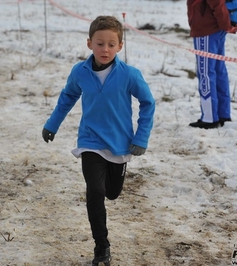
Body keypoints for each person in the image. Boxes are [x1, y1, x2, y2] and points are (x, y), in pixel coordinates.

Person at [41, 16, 155, 265]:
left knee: (112, 193)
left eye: (111, 44)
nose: (105, 49)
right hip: (90, 140)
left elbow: (148, 103)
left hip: (120, 143)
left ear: (120, 47)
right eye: (100, 44)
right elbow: (67, 97)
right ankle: (101, 247)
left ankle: (114, 180)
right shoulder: (80, 72)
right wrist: (52, 124)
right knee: (95, 190)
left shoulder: (130, 75)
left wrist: (141, 136)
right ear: (89, 43)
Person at [186, 0, 237, 129]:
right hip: (215, 27)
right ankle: (223, 114)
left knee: (206, 72)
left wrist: (226, 25)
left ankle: (210, 117)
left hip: (206, 28)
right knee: (218, 70)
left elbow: (217, 2)